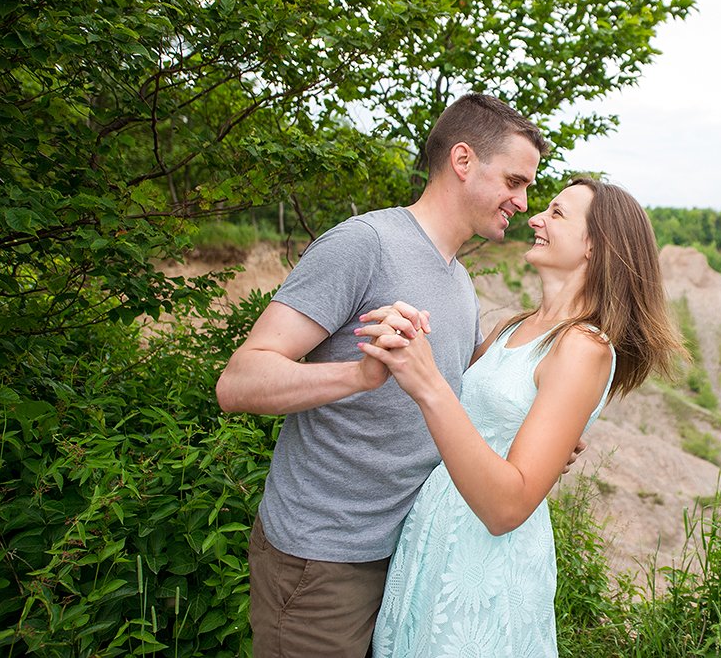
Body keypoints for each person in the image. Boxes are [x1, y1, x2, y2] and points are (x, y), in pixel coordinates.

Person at [215, 93, 550, 657]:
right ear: (463, 161)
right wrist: (359, 376)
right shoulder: (364, 245)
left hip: (408, 559)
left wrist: (540, 436)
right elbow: (239, 382)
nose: (521, 202)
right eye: (514, 181)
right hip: (322, 561)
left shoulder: (458, 281)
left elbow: (452, 399)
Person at [355, 176, 683, 656]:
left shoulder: (583, 347)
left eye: (556, 213)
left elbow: (507, 508)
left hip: (485, 562)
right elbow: (470, 423)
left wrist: (426, 381)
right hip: (436, 541)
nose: (535, 218)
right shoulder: (513, 327)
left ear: (595, 245)